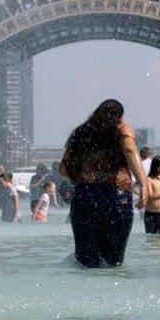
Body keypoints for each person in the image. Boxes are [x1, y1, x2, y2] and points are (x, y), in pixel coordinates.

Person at [59, 99, 146, 269]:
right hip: (116, 196)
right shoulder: (121, 129)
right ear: (119, 117)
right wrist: (143, 183)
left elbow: (63, 169)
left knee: (86, 261)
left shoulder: (80, 132)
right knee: (113, 261)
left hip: (85, 196)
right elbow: (129, 149)